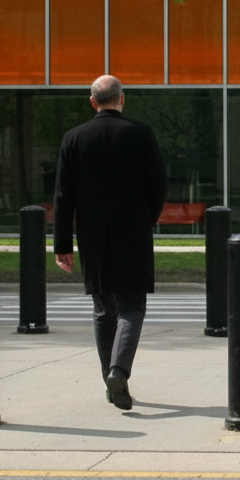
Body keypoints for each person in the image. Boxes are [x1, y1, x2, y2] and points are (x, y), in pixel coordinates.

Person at [54, 75, 166, 411]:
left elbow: (63, 197)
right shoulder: (140, 134)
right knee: (132, 307)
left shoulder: (74, 139)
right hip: (133, 232)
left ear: (93, 102)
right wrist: (147, 218)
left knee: (104, 309)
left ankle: (110, 380)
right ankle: (119, 370)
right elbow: (158, 186)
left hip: (93, 236)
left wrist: (62, 245)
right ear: (122, 99)